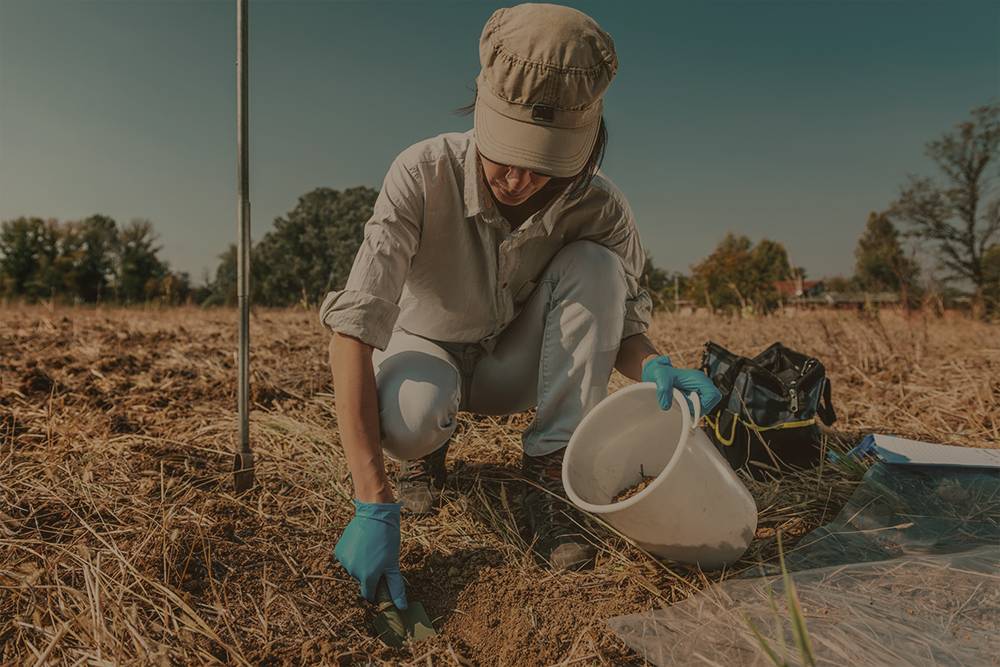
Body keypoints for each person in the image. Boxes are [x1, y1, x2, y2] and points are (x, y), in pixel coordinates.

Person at [320, 3, 721, 610]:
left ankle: (550, 473)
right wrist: (372, 503)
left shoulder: (601, 208)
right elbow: (352, 332)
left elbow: (623, 330)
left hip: (514, 363)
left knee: (596, 264)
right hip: (425, 349)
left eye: (543, 162)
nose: (518, 178)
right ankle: (427, 459)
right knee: (411, 417)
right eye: (506, 152)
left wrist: (656, 367)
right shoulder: (420, 173)